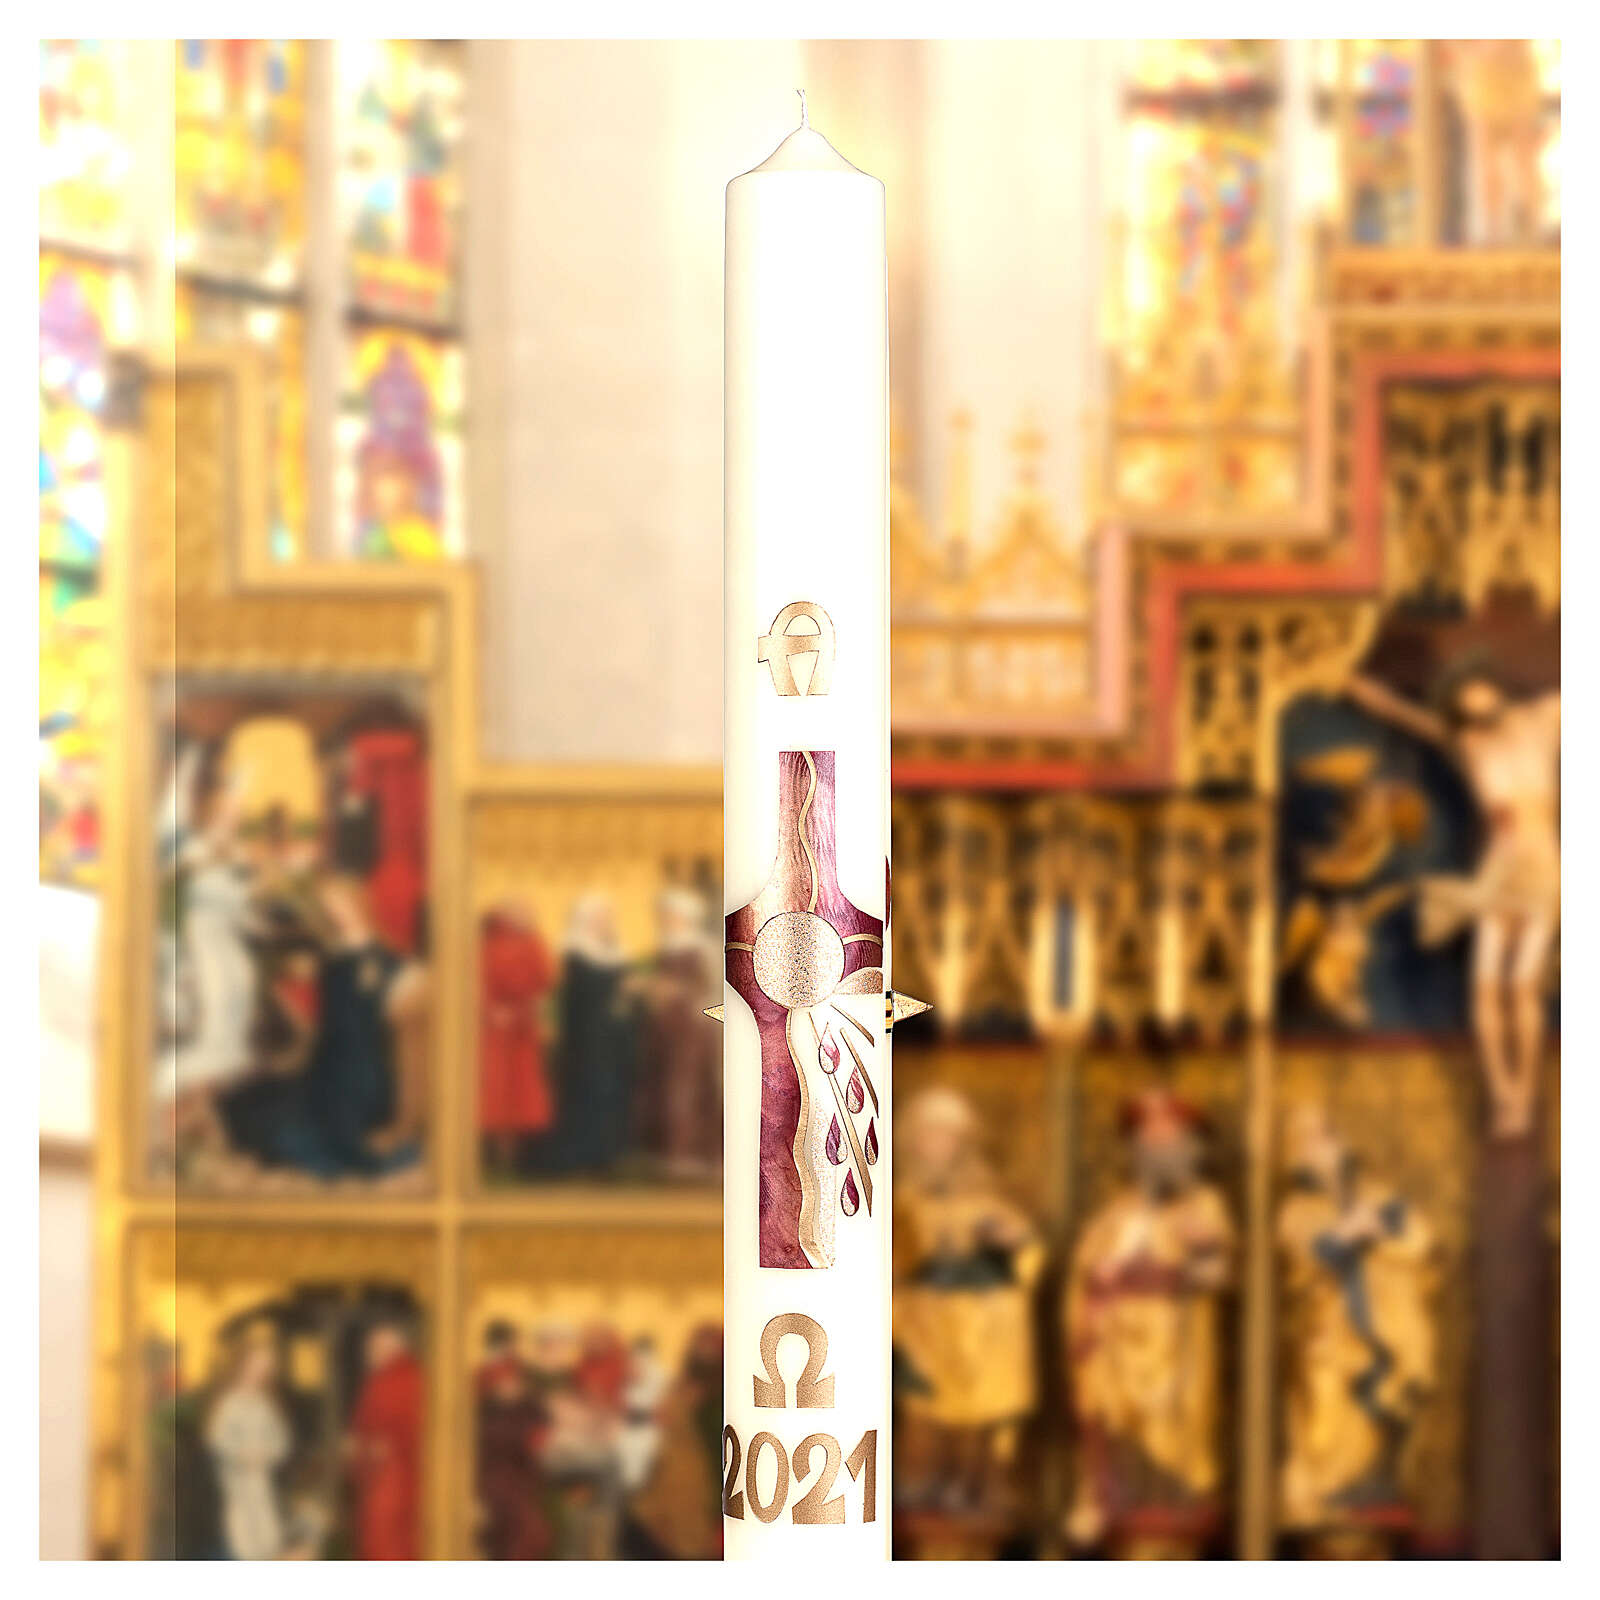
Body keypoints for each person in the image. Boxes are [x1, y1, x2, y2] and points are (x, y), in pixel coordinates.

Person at [1345, 665, 1559, 1137]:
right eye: (1471, 716)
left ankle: (1524, 1094)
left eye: (1487, 709)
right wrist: (1358, 689)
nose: (1482, 722)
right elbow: (1403, 715)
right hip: (1497, 871)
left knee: (1522, 986)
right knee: (1485, 987)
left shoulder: (1543, 721)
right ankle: (1503, 1092)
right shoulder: (1469, 744)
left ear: (1500, 694)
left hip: (1540, 869)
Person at [1064, 1088, 1236, 1558]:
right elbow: (1086, 1274)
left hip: (1176, 1346)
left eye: (1169, 1138)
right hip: (1118, 1352)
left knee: (1174, 1441)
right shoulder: (1117, 1213)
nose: (1158, 1148)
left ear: (1189, 1148)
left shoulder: (1204, 1205)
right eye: (1149, 1139)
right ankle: (1121, 1504)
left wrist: (1197, 1256)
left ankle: (1172, 1504)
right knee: (1122, 1436)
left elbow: (1220, 1274)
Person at [1277, 1105, 1439, 1555]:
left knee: (1379, 1414)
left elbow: (1420, 1241)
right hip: (1326, 1338)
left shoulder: (1376, 1196)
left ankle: (1372, 1490)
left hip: (1381, 1338)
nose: (1318, 1147)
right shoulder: (1297, 1210)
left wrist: (1377, 1232)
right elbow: (1305, 1257)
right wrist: (1349, 1233)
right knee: (1327, 1422)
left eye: (1323, 1135)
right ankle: (1329, 1497)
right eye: (1304, 1140)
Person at [893, 1087, 1043, 1521]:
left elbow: (1029, 1258)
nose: (936, 1148)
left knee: (978, 1416)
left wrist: (1009, 1246)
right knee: (925, 1416)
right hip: (924, 1330)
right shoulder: (901, 1203)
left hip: (981, 1331)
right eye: (928, 1136)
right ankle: (926, 1487)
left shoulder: (987, 1204)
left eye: (946, 1137)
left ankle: (974, 1486)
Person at [637, 887, 722, 1176]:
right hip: (667, 1027)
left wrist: (675, 992)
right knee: (666, 1086)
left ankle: (693, 1154)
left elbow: (708, 988)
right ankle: (673, 1152)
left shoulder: (700, 949)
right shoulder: (668, 948)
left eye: (671, 916)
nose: (666, 921)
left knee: (687, 1088)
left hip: (693, 1026)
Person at [549, 896, 636, 1176]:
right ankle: (584, 1155)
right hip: (587, 1036)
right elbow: (580, 995)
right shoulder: (575, 952)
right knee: (590, 1090)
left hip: (613, 1035)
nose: (604, 922)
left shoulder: (612, 949)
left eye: (606, 917)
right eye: (599, 917)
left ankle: (607, 1155)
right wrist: (616, 989)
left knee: (612, 1092)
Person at [479, 902, 558, 1174]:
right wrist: (491, 1011)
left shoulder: (533, 942)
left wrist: (533, 1008)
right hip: (495, 1028)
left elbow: (544, 979)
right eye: (518, 913)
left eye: (527, 914)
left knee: (523, 1091)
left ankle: (517, 1154)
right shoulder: (488, 943)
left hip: (523, 1026)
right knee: (496, 1090)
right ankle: (495, 1151)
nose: (524, 917)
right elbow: (478, 980)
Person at [205, 1324, 292, 1561]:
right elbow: (216, 1440)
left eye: (265, 1368)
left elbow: (282, 1441)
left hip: (261, 1481)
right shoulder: (229, 1402)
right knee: (243, 1542)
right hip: (236, 1484)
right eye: (256, 1365)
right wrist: (240, 1454)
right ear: (244, 1365)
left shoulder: (266, 1404)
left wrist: (266, 1454)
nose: (259, 1372)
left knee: (269, 1538)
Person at [346, 1322, 424, 1561]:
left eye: (375, 1347)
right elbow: (364, 1423)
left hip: (398, 1476)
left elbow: (416, 1427)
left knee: (389, 1538)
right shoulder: (379, 1380)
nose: (369, 1354)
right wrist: (357, 1445)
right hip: (377, 1475)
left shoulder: (411, 1378)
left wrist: (383, 1446)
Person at [474, 1321, 551, 1560]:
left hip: (522, 1473)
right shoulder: (486, 1386)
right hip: (493, 1473)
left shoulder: (528, 1398)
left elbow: (540, 1427)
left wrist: (537, 1443)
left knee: (528, 1526)